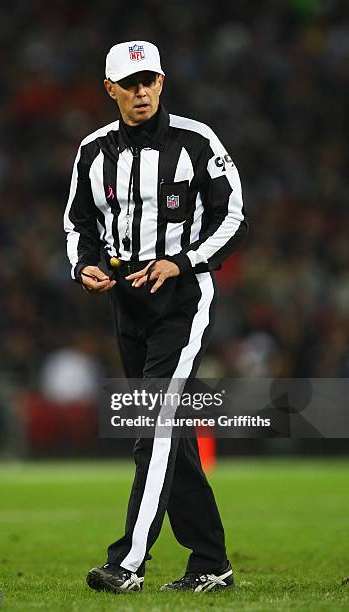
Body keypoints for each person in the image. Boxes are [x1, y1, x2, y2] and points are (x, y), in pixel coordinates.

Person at [63, 40, 248, 594]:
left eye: (149, 81)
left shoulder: (196, 141)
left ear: (162, 82)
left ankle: (129, 562)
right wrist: (83, 268)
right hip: (126, 298)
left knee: (155, 423)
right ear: (110, 89)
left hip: (182, 297)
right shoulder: (93, 152)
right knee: (173, 434)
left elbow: (233, 214)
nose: (141, 91)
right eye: (130, 83)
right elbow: (79, 224)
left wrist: (184, 261)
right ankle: (210, 562)